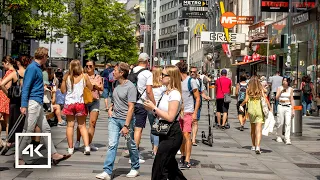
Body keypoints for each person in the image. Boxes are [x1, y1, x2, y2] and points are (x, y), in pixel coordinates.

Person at [18, 47, 71, 165]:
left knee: (45, 129)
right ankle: (19, 156)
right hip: (33, 103)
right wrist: (23, 105)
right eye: (47, 56)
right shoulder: (32, 68)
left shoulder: (35, 68)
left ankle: (54, 154)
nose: (47, 59)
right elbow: (26, 87)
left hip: (37, 103)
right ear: (43, 56)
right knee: (28, 130)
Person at [96, 63, 140, 180]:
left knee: (131, 145)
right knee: (112, 144)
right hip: (114, 119)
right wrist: (111, 108)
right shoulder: (116, 83)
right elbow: (116, 100)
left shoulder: (130, 87)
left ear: (121, 73)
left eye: (115, 70)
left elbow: (131, 107)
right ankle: (107, 171)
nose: (112, 72)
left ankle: (135, 167)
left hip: (126, 120)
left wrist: (126, 125)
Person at [143, 65, 186, 180]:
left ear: (171, 77)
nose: (160, 76)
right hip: (164, 132)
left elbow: (171, 117)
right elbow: (161, 114)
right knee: (171, 168)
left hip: (172, 134)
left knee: (160, 168)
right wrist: (151, 109)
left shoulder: (175, 94)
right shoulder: (165, 93)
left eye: (163, 74)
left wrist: (154, 107)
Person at [61, 59, 93, 155]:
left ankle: (70, 148)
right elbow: (90, 88)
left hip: (69, 104)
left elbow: (63, 91)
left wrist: (64, 79)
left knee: (70, 126)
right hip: (80, 103)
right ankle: (87, 147)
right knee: (82, 126)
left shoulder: (67, 77)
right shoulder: (84, 76)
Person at [0, 56, 31, 149]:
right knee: (24, 123)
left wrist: (8, 94)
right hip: (25, 100)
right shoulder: (29, 73)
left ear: (18, 63)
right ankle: (23, 144)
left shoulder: (14, 73)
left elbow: (1, 84)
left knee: (13, 122)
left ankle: (10, 142)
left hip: (14, 101)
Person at [176, 62, 200, 169]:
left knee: (187, 135)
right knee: (180, 136)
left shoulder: (191, 81)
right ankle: (182, 155)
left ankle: (187, 160)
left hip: (188, 112)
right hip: (179, 113)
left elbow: (197, 98)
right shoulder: (177, 82)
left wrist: (195, 112)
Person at [75, 60, 103, 151]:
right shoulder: (82, 76)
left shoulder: (98, 77)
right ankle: (78, 141)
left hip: (94, 101)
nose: (88, 68)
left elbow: (101, 88)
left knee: (93, 122)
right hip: (83, 101)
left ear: (94, 67)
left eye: (90, 66)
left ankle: (89, 143)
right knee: (81, 123)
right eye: (87, 66)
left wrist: (94, 86)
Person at [133, 53, 155, 163]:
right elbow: (149, 91)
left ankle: (131, 150)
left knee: (131, 128)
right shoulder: (147, 73)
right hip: (141, 103)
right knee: (138, 129)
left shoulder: (130, 71)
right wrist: (154, 104)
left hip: (130, 103)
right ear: (147, 62)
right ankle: (135, 155)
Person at [239, 76, 271, 154]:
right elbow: (265, 98)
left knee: (253, 129)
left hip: (251, 110)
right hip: (259, 109)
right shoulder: (260, 89)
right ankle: (258, 146)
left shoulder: (248, 90)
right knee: (259, 129)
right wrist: (270, 108)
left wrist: (241, 105)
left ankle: (253, 145)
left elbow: (246, 100)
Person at [147, 66, 166, 157]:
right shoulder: (163, 87)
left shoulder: (150, 86)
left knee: (152, 128)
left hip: (150, 109)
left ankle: (153, 147)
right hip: (159, 109)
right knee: (157, 129)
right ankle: (155, 149)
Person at [190, 67, 210, 146]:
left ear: (197, 72)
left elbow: (201, 92)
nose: (192, 73)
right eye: (191, 72)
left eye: (194, 72)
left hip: (197, 102)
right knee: (188, 120)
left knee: (195, 120)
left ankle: (193, 139)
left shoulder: (199, 81)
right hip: (189, 102)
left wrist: (206, 96)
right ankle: (188, 137)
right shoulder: (187, 81)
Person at [0, 56, 15, 148]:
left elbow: (8, 87)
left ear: (7, 62)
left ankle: (6, 141)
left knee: (5, 120)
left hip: (4, 98)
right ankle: (8, 140)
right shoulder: (12, 72)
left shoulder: (10, 72)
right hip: (6, 98)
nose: (3, 66)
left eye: (3, 64)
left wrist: (1, 83)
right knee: (7, 121)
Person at [275, 77, 294, 145]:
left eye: (286, 81)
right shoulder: (279, 88)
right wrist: (280, 91)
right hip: (281, 106)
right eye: (283, 80)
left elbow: (292, 99)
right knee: (280, 122)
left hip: (288, 106)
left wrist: (293, 109)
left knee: (288, 123)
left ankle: (287, 138)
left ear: (288, 82)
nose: (284, 82)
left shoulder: (290, 89)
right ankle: (279, 136)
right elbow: (276, 98)